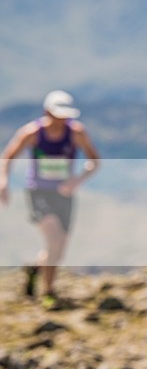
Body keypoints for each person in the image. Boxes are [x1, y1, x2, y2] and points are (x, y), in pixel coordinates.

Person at [0, 90, 100, 308]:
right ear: (47, 112)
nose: (62, 120)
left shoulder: (76, 133)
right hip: (39, 193)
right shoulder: (32, 133)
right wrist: (4, 181)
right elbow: (8, 156)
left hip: (64, 194)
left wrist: (77, 180)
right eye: (58, 114)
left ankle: (36, 269)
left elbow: (94, 160)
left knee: (59, 249)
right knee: (53, 237)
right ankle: (49, 292)